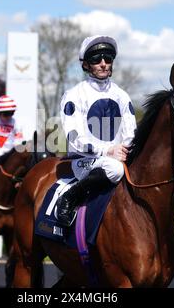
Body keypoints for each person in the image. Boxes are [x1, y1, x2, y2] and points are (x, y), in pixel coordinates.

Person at [55, 35, 137, 227]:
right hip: (84, 161)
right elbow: (74, 138)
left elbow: (131, 131)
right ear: (85, 65)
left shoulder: (122, 95)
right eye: (96, 59)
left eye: (108, 59)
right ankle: (69, 197)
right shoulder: (74, 95)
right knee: (114, 168)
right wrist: (107, 151)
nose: (103, 64)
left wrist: (125, 149)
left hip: (117, 158)